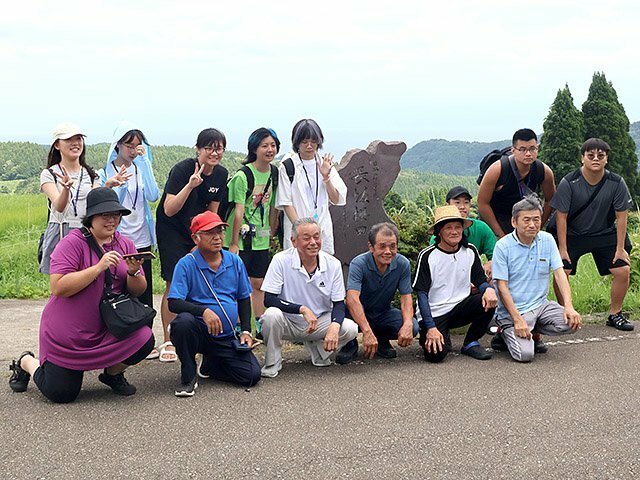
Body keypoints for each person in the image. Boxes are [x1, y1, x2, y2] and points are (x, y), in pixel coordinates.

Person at [9, 188, 154, 403]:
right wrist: (98, 267)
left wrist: (133, 272)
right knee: (61, 394)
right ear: (91, 217)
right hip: (68, 335)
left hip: (108, 327)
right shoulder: (72, 243)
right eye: (105, 215)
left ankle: (112, 374)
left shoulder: (126, 244)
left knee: (144, 339)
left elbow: (138, 290)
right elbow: (58, 286)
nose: (111, 220)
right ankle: (27, 361)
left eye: (116, 215)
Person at [155, 128, 229, 363]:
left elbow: (213, 213)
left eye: (219, 148)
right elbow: (169, 209)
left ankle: (194, 335)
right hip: (172, 230)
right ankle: (168, 339)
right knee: (173, 282)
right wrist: (190, 185)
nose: (214, 153)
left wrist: (205, 240)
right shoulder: (183, 170)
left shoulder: (221, 174)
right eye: (209, 147)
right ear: (198, 149)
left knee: (200, 280)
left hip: (198, 230)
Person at [168, 211, 261, 397]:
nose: (217, 237)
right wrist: (203, 311)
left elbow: (243, 297)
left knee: (252, 375)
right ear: (196, 238)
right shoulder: (186, 264)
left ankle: (211, 365)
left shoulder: (234, 261)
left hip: (226, 335)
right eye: (210, 232)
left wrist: (245, 330)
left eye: (220, 231)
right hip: (199, 332)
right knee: (182, 323)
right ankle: (188, 374)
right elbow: (174, 302)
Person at [551, 138, 634, 331]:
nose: (595, 158)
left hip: (604, 233)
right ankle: (566, 312)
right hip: (572, 234)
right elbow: (561, 218)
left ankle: (615, 314)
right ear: (582, 158)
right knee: (562, 271)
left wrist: (620, 249)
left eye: (601, 155)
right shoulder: (569, 181)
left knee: (622, 270)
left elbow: (622, 218)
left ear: (606, 159)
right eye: (591, 155)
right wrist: (562, 250)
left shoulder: (616, 182)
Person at [260, 218, 358, 377]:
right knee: (271, 315)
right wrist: (301, 309)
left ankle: (319, 349)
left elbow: (339, 304)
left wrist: (334, 326)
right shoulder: (281, 260)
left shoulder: (332, 264)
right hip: (288, 321)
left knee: (349, 328)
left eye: (316, 237)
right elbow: (269, 299)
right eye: (306, 238)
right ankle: (272, 362)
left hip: (318, 322)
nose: (313, 242)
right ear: (294, 241)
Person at [492, 195, 582, 362]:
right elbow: (501, 286)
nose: (532, 225)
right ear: (514, 222)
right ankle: (504, 332)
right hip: (514, 311)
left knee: (572, 323)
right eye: (526, 220)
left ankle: (533, 330)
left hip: (540, 305)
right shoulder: (503, 246)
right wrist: (517, 320)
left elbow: (559, 273)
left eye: (536, 219)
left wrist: (568, 306)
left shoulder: (547, 240)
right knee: (525, 355)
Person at [39, 123, 127, 274]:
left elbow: (94, 203)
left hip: (87, 230)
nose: (75, 143)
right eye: (68, 139)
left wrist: (107, 186)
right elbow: (59, 207)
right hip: (62, 229)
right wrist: (66, 189)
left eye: (79, 138)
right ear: (57, 145)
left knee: (90, 276)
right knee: (62, 280)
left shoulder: (92, 174)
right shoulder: (50, 174)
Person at [413, 206, 498, 362]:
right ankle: (431, 334)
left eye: (458, 227)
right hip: (435, 312)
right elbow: (422, 294)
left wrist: (488, 290)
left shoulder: (470, 251)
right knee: (435, 356)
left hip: (460, 306)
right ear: (439, 231)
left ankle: (470, 342)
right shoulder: (428, 256)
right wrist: (430, 327)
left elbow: (479, 280)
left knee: (489, 298)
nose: (454, 231)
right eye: (449, 228)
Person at [224, 128, 280, 338]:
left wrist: (272, 230)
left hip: (261, 239)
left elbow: (274, 206)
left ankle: (259, 324)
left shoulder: (274, 173)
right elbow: (239, 211)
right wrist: (233, 243)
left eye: (273, 145)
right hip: (238, 239)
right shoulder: (243, 176)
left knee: (259, 283)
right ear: (254, 148)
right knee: (237, 284)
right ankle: (239, 326)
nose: (269, 149)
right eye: (264, 145)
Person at [99, 121, 160, 310]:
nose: (133, 151)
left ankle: (144, 333)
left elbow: (153, 195)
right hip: (118, 239)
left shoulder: (141, 168)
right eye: (128, 145)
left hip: (142, 238)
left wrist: (145, 163)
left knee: (143, 290)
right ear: (118, 145)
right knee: (118, 289)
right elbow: (109, 206)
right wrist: (121, 186)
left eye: (136, 146)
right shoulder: (105, 173)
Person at [340, 222, 418, 362]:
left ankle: (382, 339)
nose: (388, 251)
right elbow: (352, 299)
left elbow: (406, 298)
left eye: (392, 246)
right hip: (357, 311)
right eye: (382, 246)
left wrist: (407, 324)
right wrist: (366, 330)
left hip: (382, 312)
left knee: (413, 326)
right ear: (371, 247)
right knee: (346, 310)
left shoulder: (402, 264)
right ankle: (350, 343)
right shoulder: (359, 263)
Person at [276, 119, 347, 255]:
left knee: (322, 269)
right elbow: (286, 202)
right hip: (297, 232)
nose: (309, 146)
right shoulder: (288, 166)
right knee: (296, 268)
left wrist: (326, 178)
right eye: (304, 142)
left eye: (313, 141)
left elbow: (337, 199)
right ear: (297, 142)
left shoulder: (324, 164)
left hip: (321, 230)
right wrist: (302, 231)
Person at [477, 128, 556, 238]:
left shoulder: (543, 171)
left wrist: (538, 225)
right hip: (497, 216)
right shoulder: (497, 170)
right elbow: (482, 203)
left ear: (537, 148)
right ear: (513, 150)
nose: (528, 154)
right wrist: (500, 235)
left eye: (532, 149)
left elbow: (551, 199)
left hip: (524, 217)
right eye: (522, 149)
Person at [430, 186, 496, 279]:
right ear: (447, 205)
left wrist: (491, 263)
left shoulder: (481, 228)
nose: (462, 207)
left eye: (466, 202)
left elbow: (496, 254)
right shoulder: (437, 237)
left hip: (476, 277)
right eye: (457, 202)